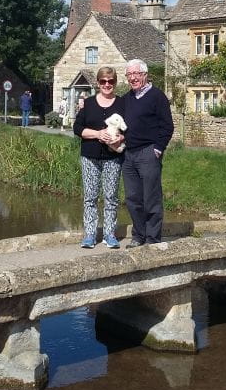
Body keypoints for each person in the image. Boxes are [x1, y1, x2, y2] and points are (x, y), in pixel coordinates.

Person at [121, 58, 174, 248]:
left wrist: (158, 149)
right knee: (133, 198)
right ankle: (138, 235)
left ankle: (152, 239)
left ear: (145, 75)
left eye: (136, 74)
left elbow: (167, 126)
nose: (133, 78)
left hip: (148, 153)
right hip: (128, 155)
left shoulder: (157, 96)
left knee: (151, 197)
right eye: (129, 75)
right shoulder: (127, 98)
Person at [73, 67, 126, 249]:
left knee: (111, 197)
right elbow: (77, 129)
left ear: (115, 83)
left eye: (110, 81)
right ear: (98, 83)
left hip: (113, 158)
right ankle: (90, 234)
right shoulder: (88, 104)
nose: (107, 85)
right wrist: (98, 134)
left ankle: (109, 234)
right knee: (90, 197)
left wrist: (121, 137)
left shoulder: (122, 103)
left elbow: (129, 128)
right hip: (90, 157)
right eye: (103, 81)